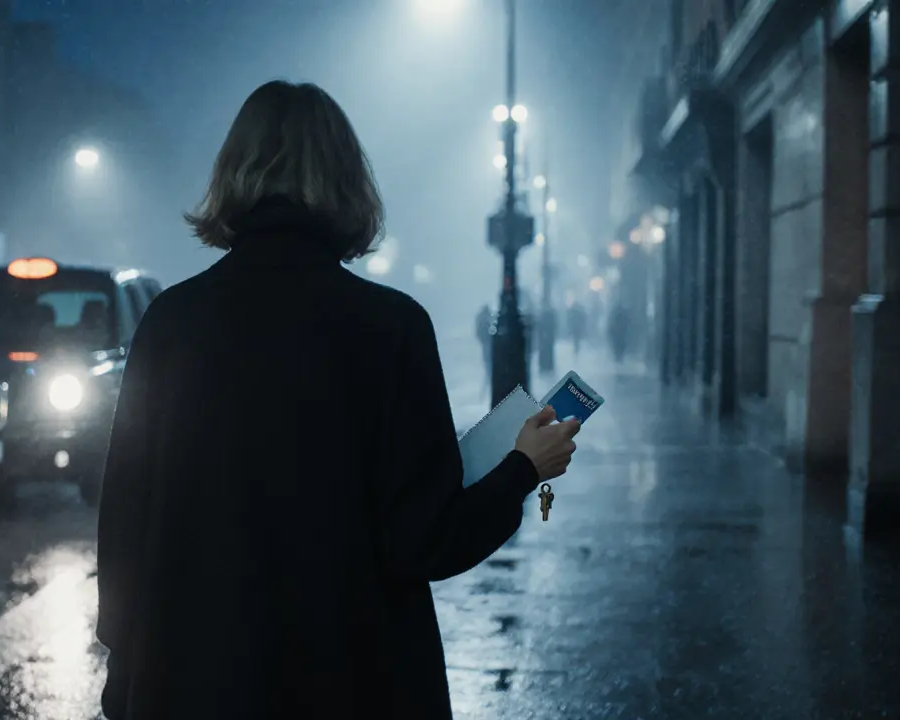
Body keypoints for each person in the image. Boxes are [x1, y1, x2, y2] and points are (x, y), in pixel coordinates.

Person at [96, 80, 581, 720]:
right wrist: (522, 468)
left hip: (191, 683)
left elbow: (124, 528)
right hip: (353, 683)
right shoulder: (390, 328)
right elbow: (424, 540)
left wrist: (128, 673)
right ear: (347, 180)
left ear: (233, 174)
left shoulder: (169, 323)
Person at [476, 303, 493, 394]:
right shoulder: (486, 320)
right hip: (488, 345)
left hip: (486, 346)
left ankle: (488, 381)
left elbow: (478, 334)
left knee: (488, 365)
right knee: (489, 365)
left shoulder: (481, 319)